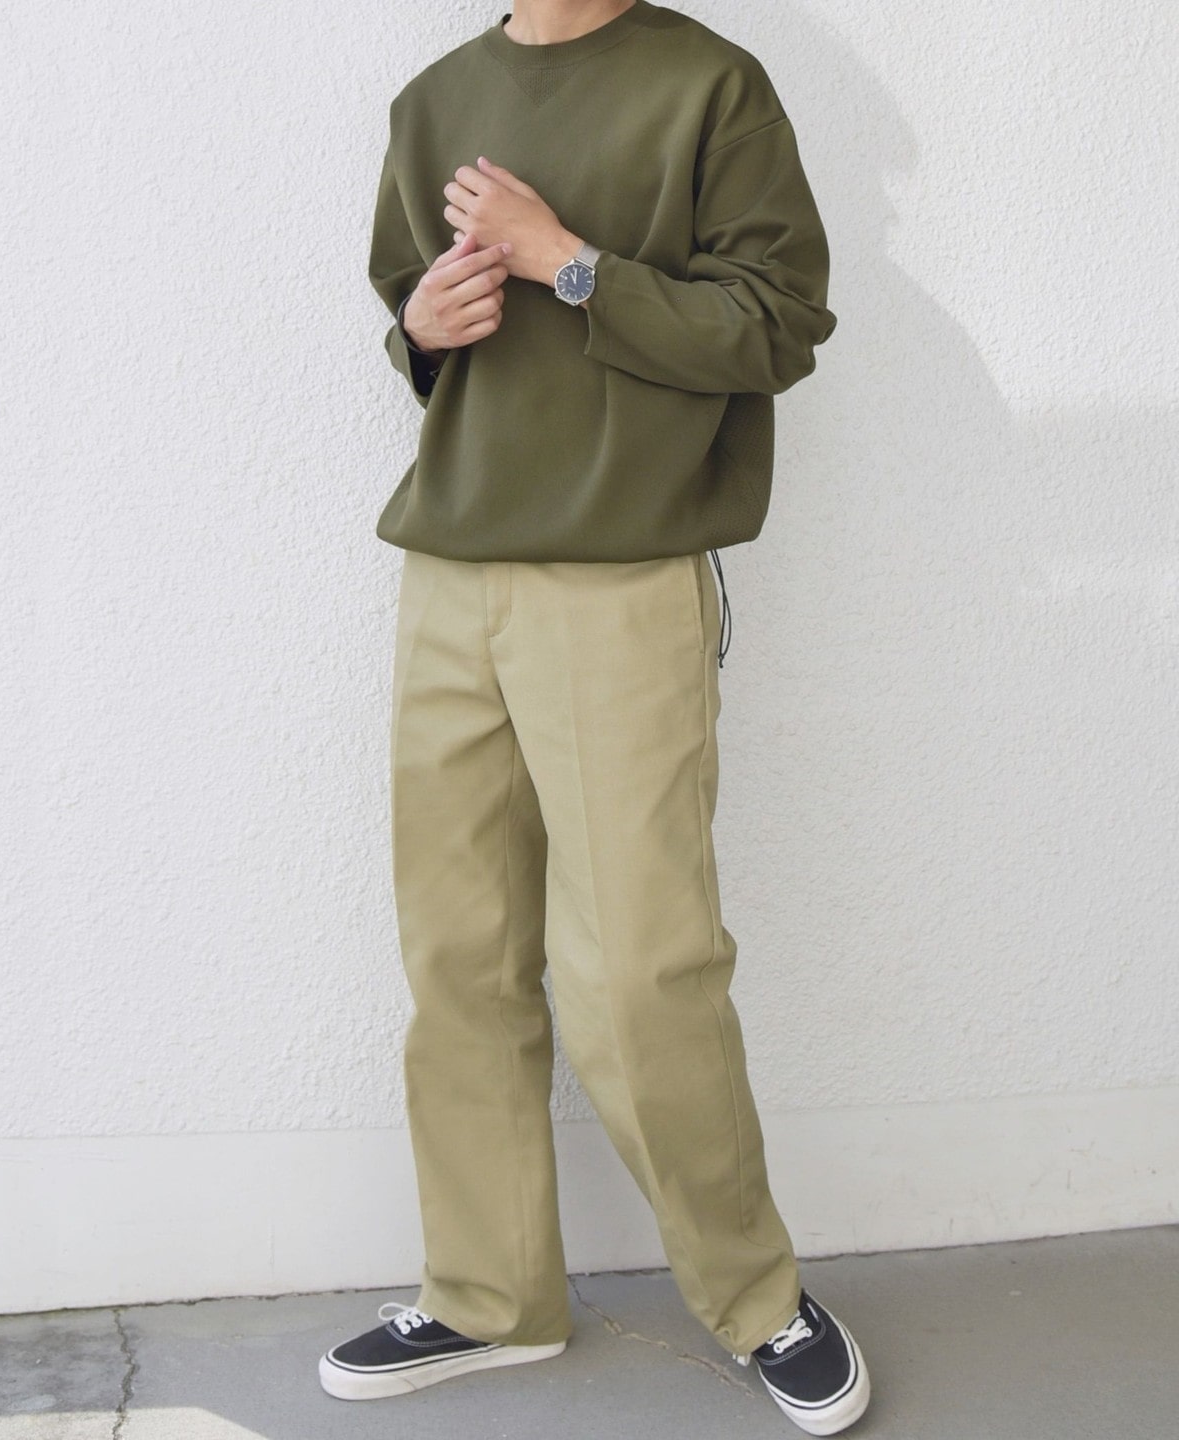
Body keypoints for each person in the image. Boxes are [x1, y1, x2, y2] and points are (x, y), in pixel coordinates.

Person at [319, 2, 871, 1432]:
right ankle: (487, 1295)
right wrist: (418, 333)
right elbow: (418, 323)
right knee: (460, 959)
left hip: (622, 581)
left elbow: (779, 324)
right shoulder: (435, 101)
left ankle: (758, 1297)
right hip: (451, 574)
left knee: (640, 970)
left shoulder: (710, 88)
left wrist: (569, 263)